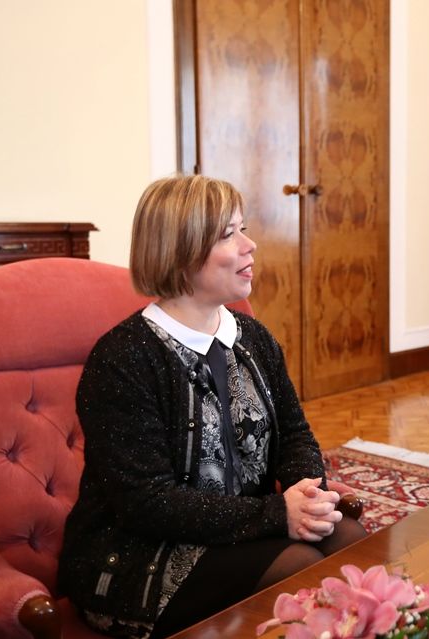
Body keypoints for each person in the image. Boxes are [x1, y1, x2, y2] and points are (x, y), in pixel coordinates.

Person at [58, 175, 366, 638]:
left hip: (240, 527)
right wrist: (277, 515)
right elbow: (145, 503)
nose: (250, 245)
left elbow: (295, 434)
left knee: (348, 541)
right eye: (228, 234)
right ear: (179, 252)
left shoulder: (253, 337)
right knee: (299, 568)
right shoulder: (123, 358)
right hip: (140, 553)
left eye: (244, 229)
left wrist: (308, 496)